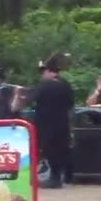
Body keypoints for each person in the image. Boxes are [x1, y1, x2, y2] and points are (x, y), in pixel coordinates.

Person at [31, 54, 75, 189]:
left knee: (49, 151)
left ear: (49, 71)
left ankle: (54, 178)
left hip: (46, 124)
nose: (42, 75)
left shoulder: (45, 85)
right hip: (62, 123)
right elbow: (70, 103)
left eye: (44, 72)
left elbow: (34, 98)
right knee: (62, 150)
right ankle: (64, 177)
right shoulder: (66, 85)